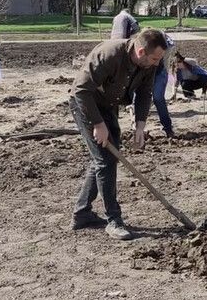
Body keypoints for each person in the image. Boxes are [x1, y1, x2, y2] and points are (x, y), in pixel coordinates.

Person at [69, 28, 167, 240]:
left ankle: (82, 213)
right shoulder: (109, 53)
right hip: (85, 105)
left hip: (108, 107)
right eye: (155, 58)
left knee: (103, 160)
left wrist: (140, 126)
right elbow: (81, 90)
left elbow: (145, 92)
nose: (157, 63)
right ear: (140, 52)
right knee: (105, 161)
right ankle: (114, 220)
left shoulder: (148, 64)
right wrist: (98, 124)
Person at [151, 32, 176, 137]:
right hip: (144, 71)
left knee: (158, 98)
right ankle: (138, 129)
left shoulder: (166, 46)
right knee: (137, 98)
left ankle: (168, 128)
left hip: (160, 73)